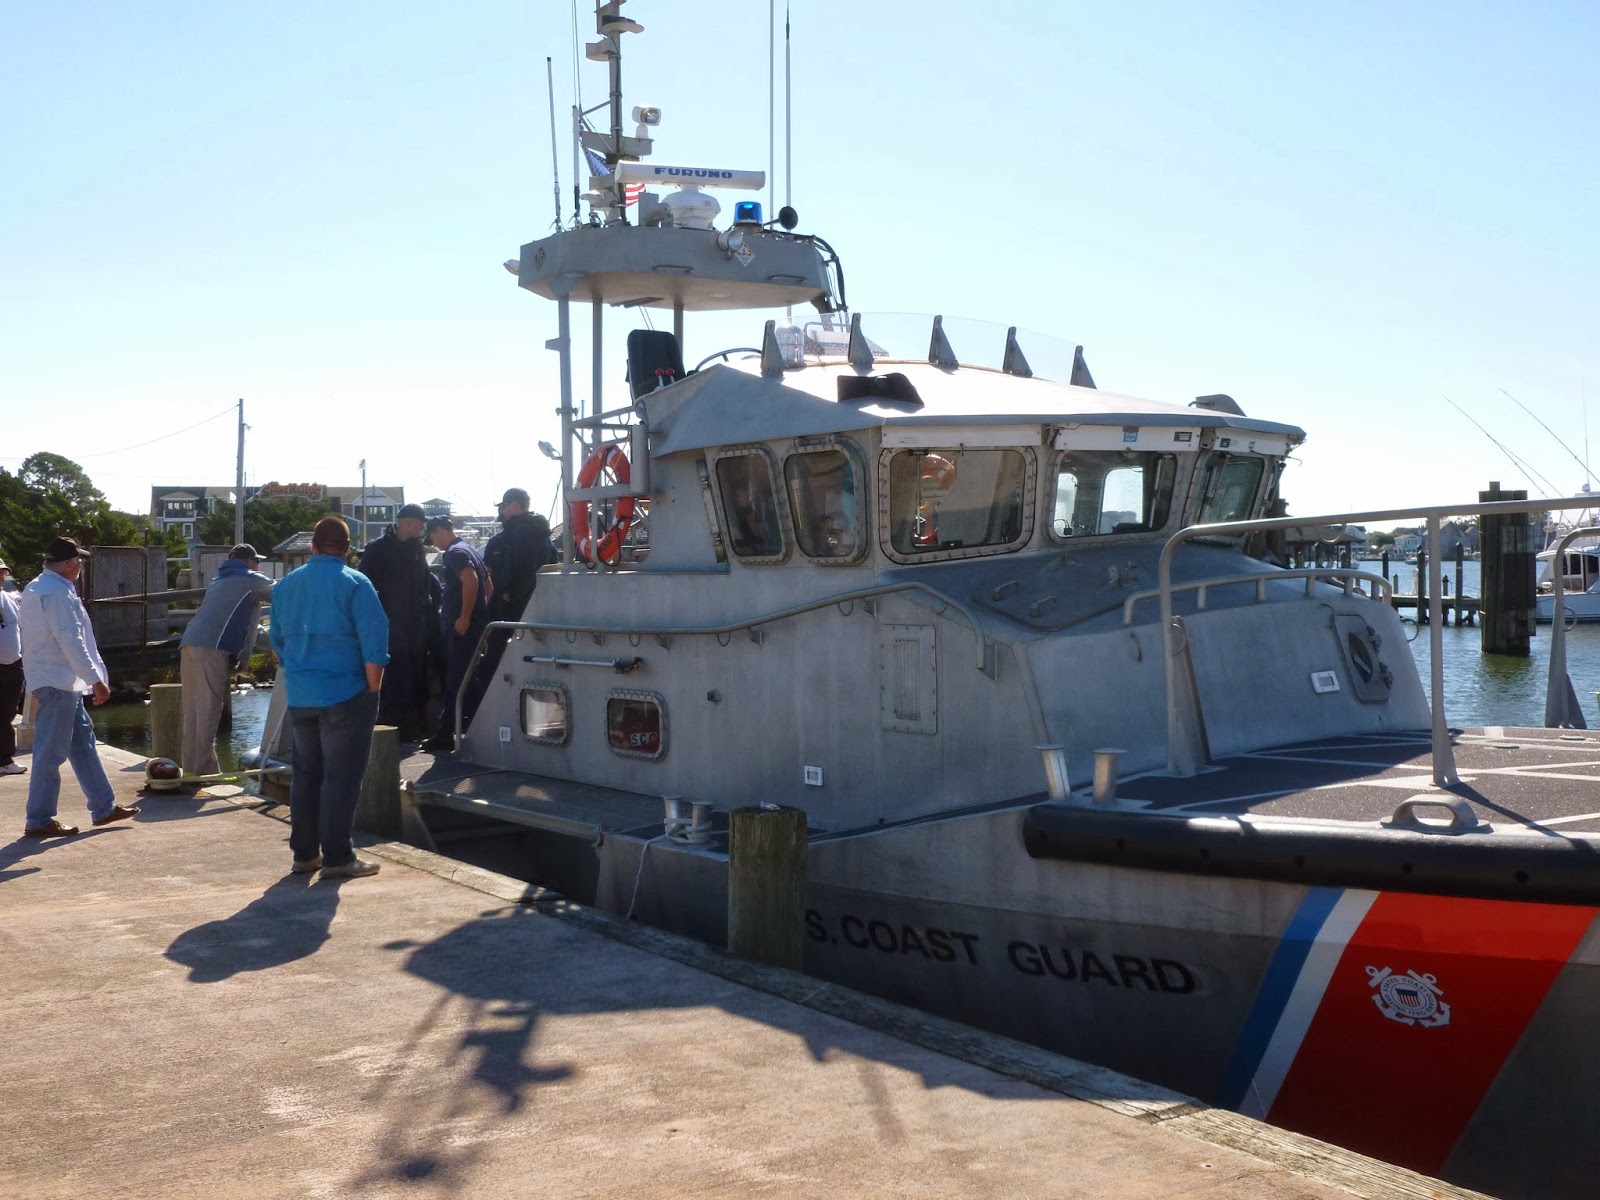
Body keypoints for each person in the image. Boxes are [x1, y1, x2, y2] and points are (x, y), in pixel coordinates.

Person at [268, 517, 389, 879]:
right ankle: (338, 858)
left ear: (313, 547)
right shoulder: (356, 583)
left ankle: (305, 855)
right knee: (342, 777)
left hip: (301, 694)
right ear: (348, 550)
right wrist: (372, 691)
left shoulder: (286, 585)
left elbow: (277, 642)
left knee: (306, 775)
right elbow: (374, 643)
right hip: (346, 692)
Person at [17, 537, 140, 836]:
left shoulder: (39, 587)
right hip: (58, 681)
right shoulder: (57, 593)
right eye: (79, 561)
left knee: (83, 743)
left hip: (55, 679)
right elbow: (70, 639)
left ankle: (104, 806)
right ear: (70, 564)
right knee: (51, 751)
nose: (81, 565)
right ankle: (39, 818)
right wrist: (95, 679)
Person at [178, 543, 274, 777]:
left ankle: (191, 770)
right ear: (248, 561)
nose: (259, 566)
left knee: (193, 711)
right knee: (209, 710)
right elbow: (285, 592)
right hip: (211, 649)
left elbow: (249, 627)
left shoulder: (218, 581)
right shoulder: (250, 579)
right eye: (257, 561)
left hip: (189, 644)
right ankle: (204, 773)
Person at [472, 488, 555, 718]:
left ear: (514, 506)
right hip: (537, 612)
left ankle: (490, 714)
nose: (502, 512)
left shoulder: (521, 532)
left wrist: (510, 594)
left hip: (510, 613)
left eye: (504, 506)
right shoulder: (542, 533)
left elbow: (521, 568)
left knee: (492, 662)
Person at [358, 503, 435, 741]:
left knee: (417, 673)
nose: (422, 530)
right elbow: (365, 588)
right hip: (388, 623)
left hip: (416, 622)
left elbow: (426, 583)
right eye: (420, 525)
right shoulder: (376, 550)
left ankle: (414, 725)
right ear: (407, 523)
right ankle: (392, 726)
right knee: (396, 675)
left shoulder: (417, 549)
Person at [421, 516, 491, 753]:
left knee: (456, 679)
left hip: (461, 628)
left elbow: (471, 581)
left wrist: (465, 617)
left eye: (432, 535)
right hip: (473, 627)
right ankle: (474, 725)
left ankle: (445, 733)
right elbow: (488, 586)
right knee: (469, 677)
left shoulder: (454, 553)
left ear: (440, 530)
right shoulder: (470, 550)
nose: (432, 541)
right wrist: (478, 614)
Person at [0, 558, 25, 777]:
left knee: (7, 713)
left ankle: (5, 760)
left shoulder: (9, 597)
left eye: (2, 573)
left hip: (13, 664)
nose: (1, 576)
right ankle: (4, 759)